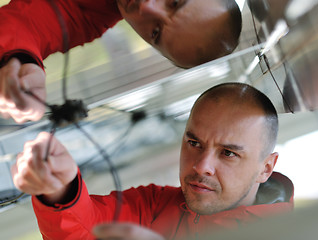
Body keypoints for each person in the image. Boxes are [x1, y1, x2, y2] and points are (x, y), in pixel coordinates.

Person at [11, 82, 294, 240]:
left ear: (265, 168)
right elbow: (87, 228)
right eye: (194, 143)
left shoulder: (294, 232)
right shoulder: (156, 204)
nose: (200, 166)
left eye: (228, 153)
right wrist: (60, 187)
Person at [0, 0, 242, 123]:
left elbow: (31, 27)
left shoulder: (90, 14)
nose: (146, 7)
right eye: (175, 1)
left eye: (155, 32)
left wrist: (22, 63)